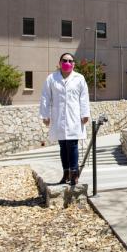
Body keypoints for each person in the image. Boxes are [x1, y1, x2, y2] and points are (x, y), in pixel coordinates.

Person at [39, 52, 90, 186]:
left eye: (70, 60)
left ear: (73, 64)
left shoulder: (79, 78)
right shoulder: (51, 78)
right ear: (60, 62)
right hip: (59, 117)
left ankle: (74, 174)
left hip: (74, 117)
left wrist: (85, 114)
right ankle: (66, 173)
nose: (67, 63)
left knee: (72, 145)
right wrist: (45, 115)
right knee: (63, 146)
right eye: (64, 60)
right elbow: (45, 97)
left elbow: (84, 97)